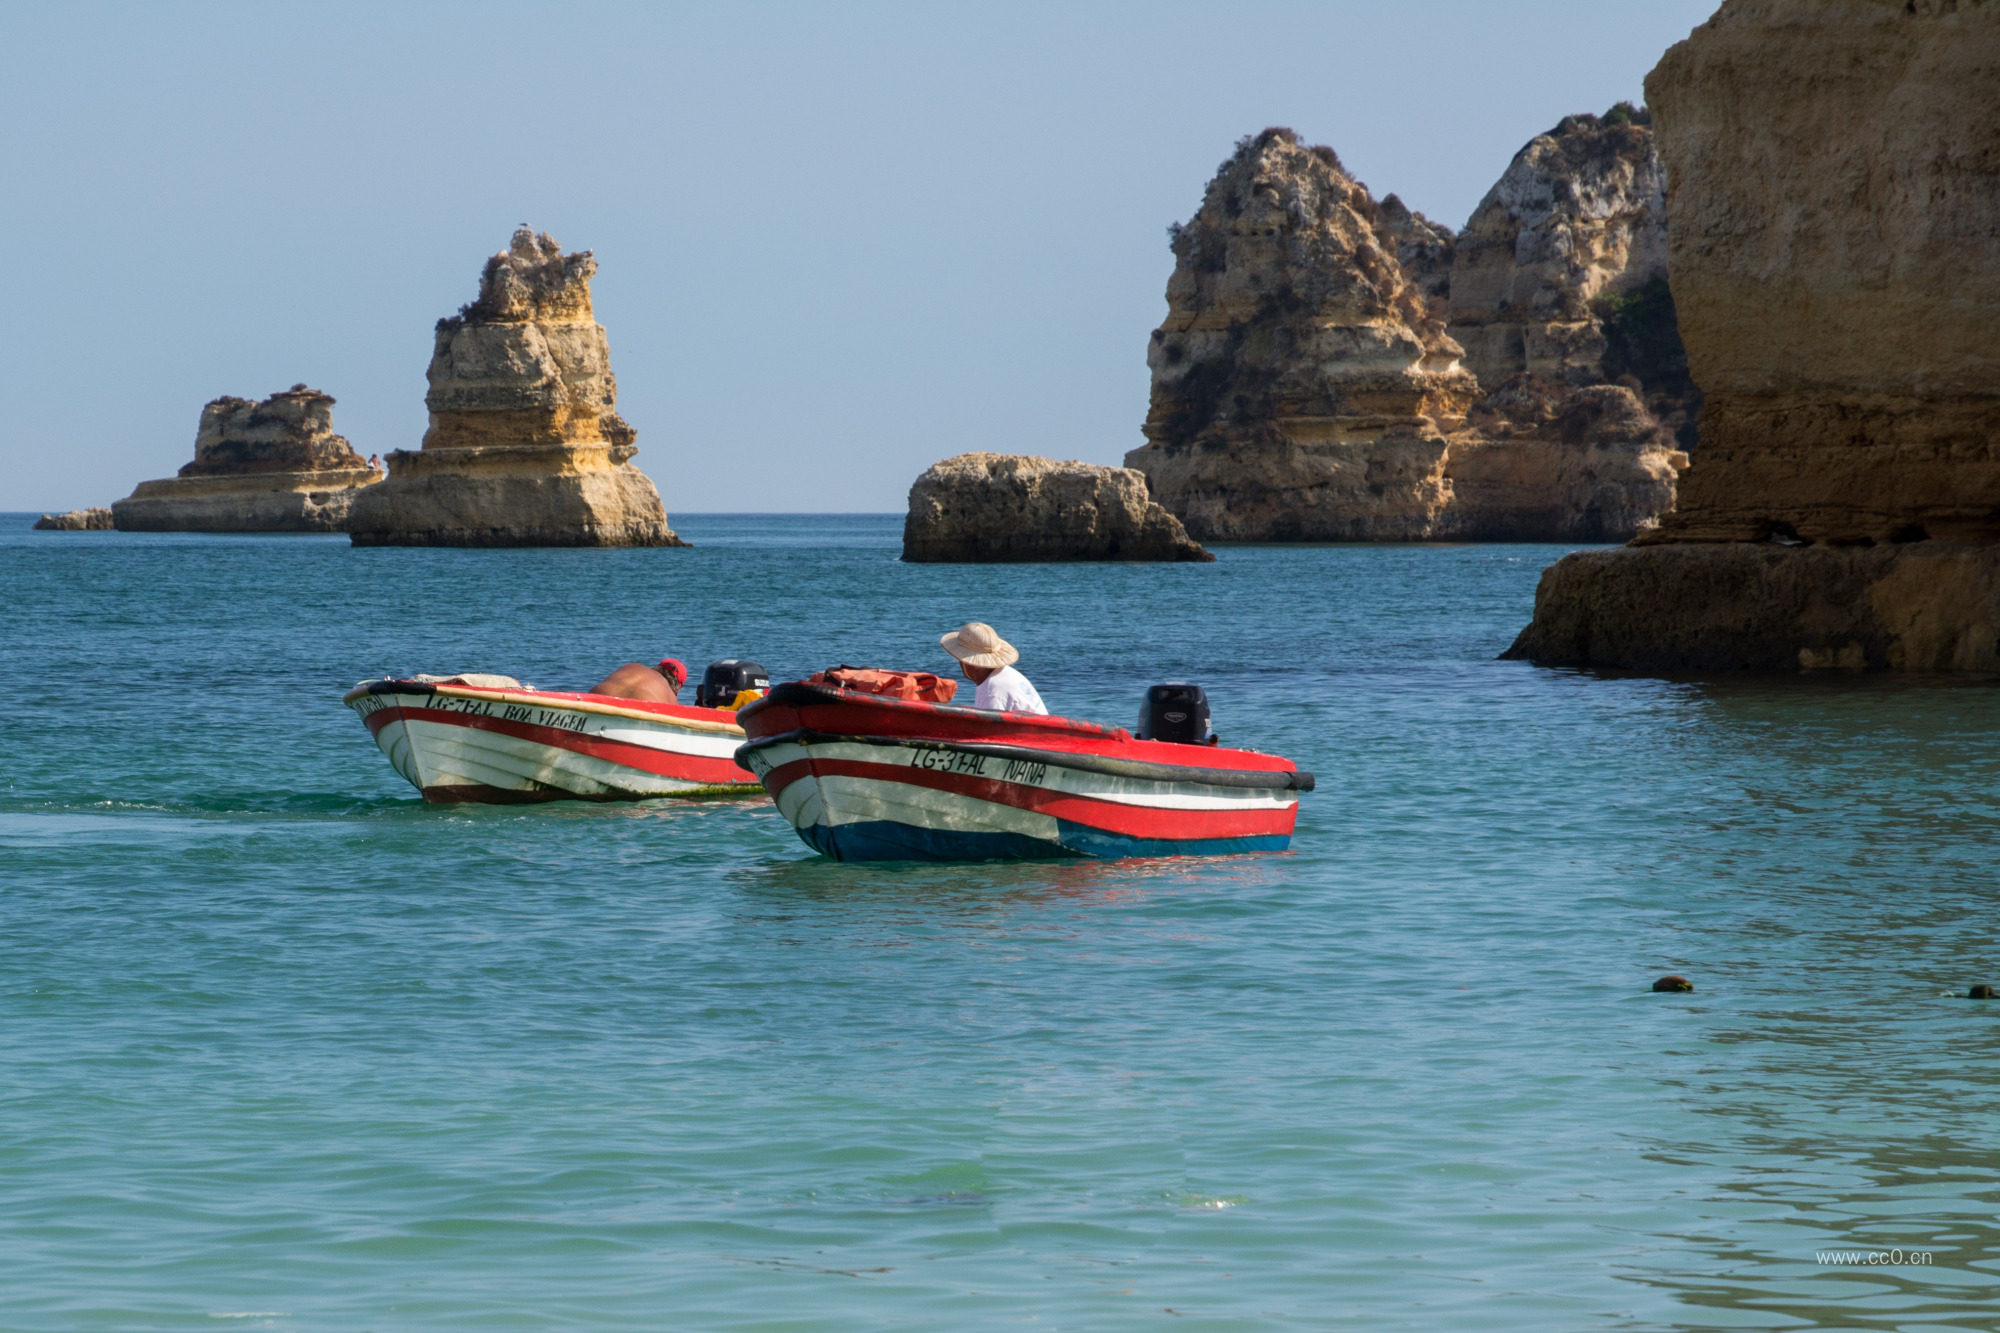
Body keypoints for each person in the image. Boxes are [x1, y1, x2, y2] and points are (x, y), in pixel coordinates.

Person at [939, 622, 1046, 715]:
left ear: (972, 664)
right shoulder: (1005, 673)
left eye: (961, 659)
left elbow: (990, 729)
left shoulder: (992, 692)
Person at [590, 657, 687, 703]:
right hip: (640, 710)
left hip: (594, 698)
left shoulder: (631, 666)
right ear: (677, 688)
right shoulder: (669, 694)